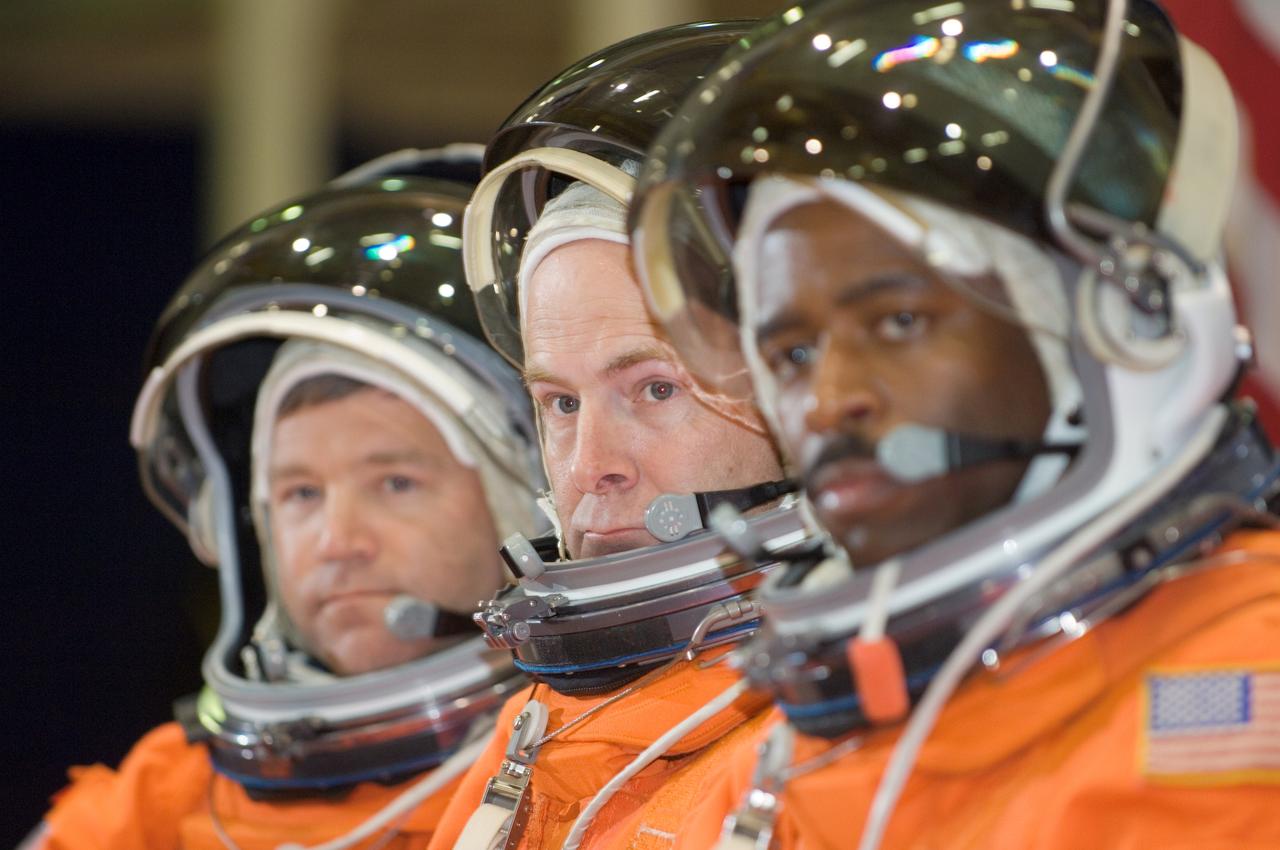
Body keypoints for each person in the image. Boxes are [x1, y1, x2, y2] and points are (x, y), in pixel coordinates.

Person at [629, 0, 1280, 847]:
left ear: (1119, 331)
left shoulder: (1244, 692)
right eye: (790, 354)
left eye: (898, 323)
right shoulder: (786, 749)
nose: (827, 402)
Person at [31, 148, 548, 850]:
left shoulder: (609, 774)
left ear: (523, 502)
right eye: (301, 493)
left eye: (394, 482)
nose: (337, 540)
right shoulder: (156, 806)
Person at [425, 22, 820, 850]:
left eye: (653, 388)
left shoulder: (844, 753)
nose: (590, 469)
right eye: (561, 404)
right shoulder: (525, 745)